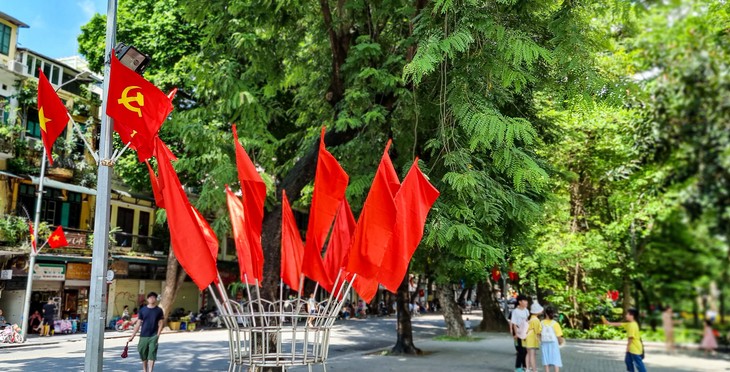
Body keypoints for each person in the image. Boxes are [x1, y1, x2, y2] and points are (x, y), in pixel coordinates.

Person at [128, 292, 165, 372]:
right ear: (148, 299)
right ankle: (145, 370)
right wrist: (132, 336)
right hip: (143, 335)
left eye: (153, 297)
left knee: (152, 354)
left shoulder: (159, 310)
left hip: (153, 336)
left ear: (156, 299)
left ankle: (150, 370)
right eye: (150, 297)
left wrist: (157, 335)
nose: (152, 299)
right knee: (143, 353)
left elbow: (161, 323)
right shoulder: (143, 310)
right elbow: (138, 323)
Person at [540, 306, 563, 372]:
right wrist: (560, 342)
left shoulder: (541, 323)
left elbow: (539, 333)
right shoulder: (555, 324)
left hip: (544, 343)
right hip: (553, 343)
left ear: (546, 313)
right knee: (556, 360)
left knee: (546, 360)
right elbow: (559, 336)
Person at [510, 295, 530, 372]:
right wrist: (515, 334)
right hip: (518, 332)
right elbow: (514, 323)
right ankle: (518, 367)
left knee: (525, 350)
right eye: (524, 301)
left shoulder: (526, 310)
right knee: (521, 350)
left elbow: (528, 321)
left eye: (526, 301)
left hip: (525, 333)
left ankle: (525, 366)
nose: (526, 302)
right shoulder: (515, 311)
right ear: (520, 302)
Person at [526, 302, 543, 372]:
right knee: (532, 355)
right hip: (532, 340)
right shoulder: (536, 320)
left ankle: (527, 368)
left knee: (528, 354)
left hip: (527, 338)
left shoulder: (530, 319)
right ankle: (534, 370)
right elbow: (538, 332)